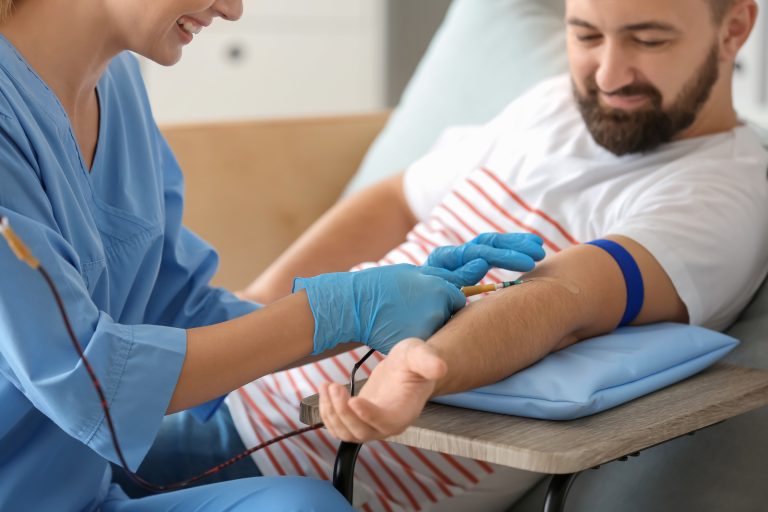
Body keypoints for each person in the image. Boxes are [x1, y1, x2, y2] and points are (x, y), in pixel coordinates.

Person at [0, 1, 547, 511]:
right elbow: (87, 383)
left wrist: (376, 303)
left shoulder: (116, 84)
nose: (233, 8)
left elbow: (182, 306)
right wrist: (338, 310)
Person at [232, 0, 768, 510]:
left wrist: (422, 373)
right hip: (240, 382)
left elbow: (563, 298)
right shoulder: (552, 103)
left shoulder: (722, 195)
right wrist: (257, 300)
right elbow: (399, 199)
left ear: (735, 27)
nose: (608, 75)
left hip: (307, 470)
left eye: (649, 39)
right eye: (586, 34)